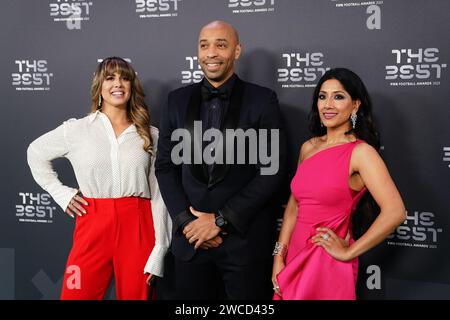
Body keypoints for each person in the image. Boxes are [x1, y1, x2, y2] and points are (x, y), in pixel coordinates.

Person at [155, 20, 286, 299]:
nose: (211, 52)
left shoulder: (262, 100)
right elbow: (165, 167)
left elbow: (272, 171)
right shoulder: (176, 101)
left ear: (237, 51)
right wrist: (187, 222)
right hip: (190, 244)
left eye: (221, 44)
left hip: (243, 243)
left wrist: (221, 221)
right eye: (204, 45)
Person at [27, 57, 171, 300]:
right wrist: (62, 193)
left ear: (132, 85)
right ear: (99, 86)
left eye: (125, 78)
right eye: (110, 78)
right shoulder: (77, 130)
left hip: (138, 224)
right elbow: (35, 152)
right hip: (92, 222)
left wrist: (160, 248)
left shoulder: (150, 134)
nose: (118, 84)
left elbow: (159, 195)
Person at [272, 68, 406, 300]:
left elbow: (395, 212)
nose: (328, 104)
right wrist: (278, 256)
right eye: (322, 97)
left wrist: (348, 252)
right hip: (294, 254)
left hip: (326, 262)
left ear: (355, 105)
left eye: (338, 96)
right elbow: (294, 207)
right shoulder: (309, 147)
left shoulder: (361, 153)